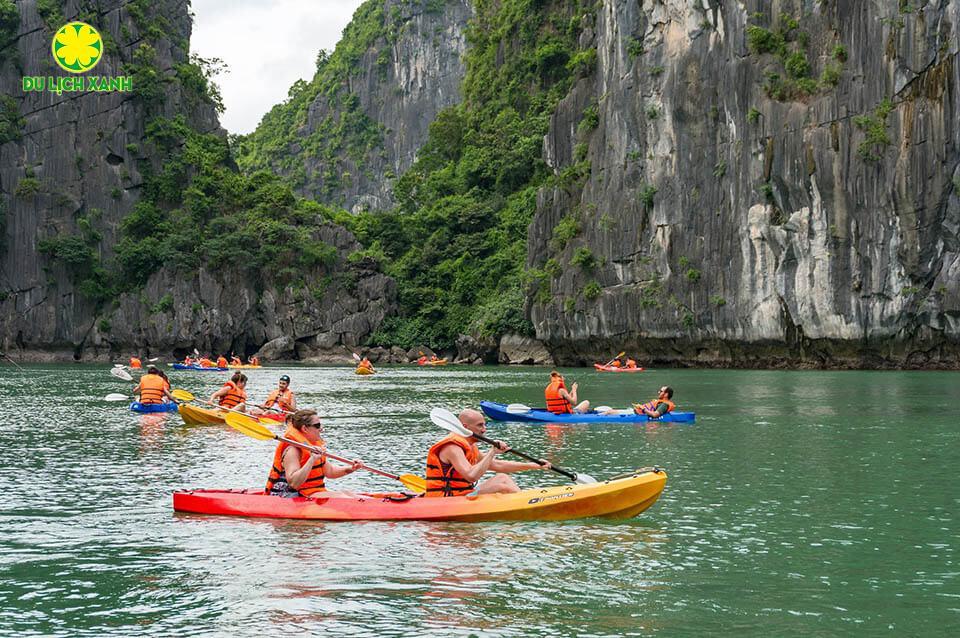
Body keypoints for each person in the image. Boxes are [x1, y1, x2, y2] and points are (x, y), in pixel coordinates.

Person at [425, 409, 550, 497]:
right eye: (480, 425)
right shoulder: (452, 447)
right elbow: (471, 476)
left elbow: (497, 465)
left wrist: (534, 465)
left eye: (484, 425)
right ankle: (524, 503)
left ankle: (522, 500)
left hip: (463, 493)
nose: (484, 429)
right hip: (448, 498)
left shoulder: (470, 446)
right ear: (465, 427)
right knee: (502, 486)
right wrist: (492, 452)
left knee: (502, 477)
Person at [265, 409, 363, 497]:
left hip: (312, 491)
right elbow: (294, 483)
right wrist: (312, 459)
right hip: (291, 495)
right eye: (317, 425)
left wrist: (351, 468)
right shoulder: (293, 450)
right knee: (343, 496)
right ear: (304, 429)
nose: (321, 429)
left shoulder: (313, 446)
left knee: (348, 493)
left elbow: (330, 472)